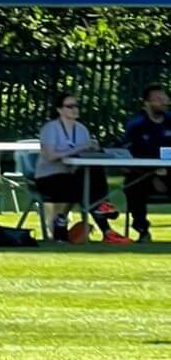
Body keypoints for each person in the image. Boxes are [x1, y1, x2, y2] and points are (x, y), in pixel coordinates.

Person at [33, 90, 131, 245]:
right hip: (49, 178)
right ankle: (103, 218)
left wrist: (92, 149)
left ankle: (95, 221)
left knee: (92, 172)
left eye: (76, 106)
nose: (74, 109)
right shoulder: (50, 128)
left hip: (73, 175)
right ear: (59, 110)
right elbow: (50, 156)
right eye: (69, 106)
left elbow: (83, 154)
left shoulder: (81, 129)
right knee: (86, 189)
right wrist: (80, 147)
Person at [121, 82, 171, 244]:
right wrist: (153, 172)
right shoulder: (136, 126)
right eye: (157, 99)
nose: (163, 102)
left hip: (169, 173)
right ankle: (142, 229)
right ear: (146, 104)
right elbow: (127, 156)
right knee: (133, 187)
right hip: (143, 174)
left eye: (164, 98)